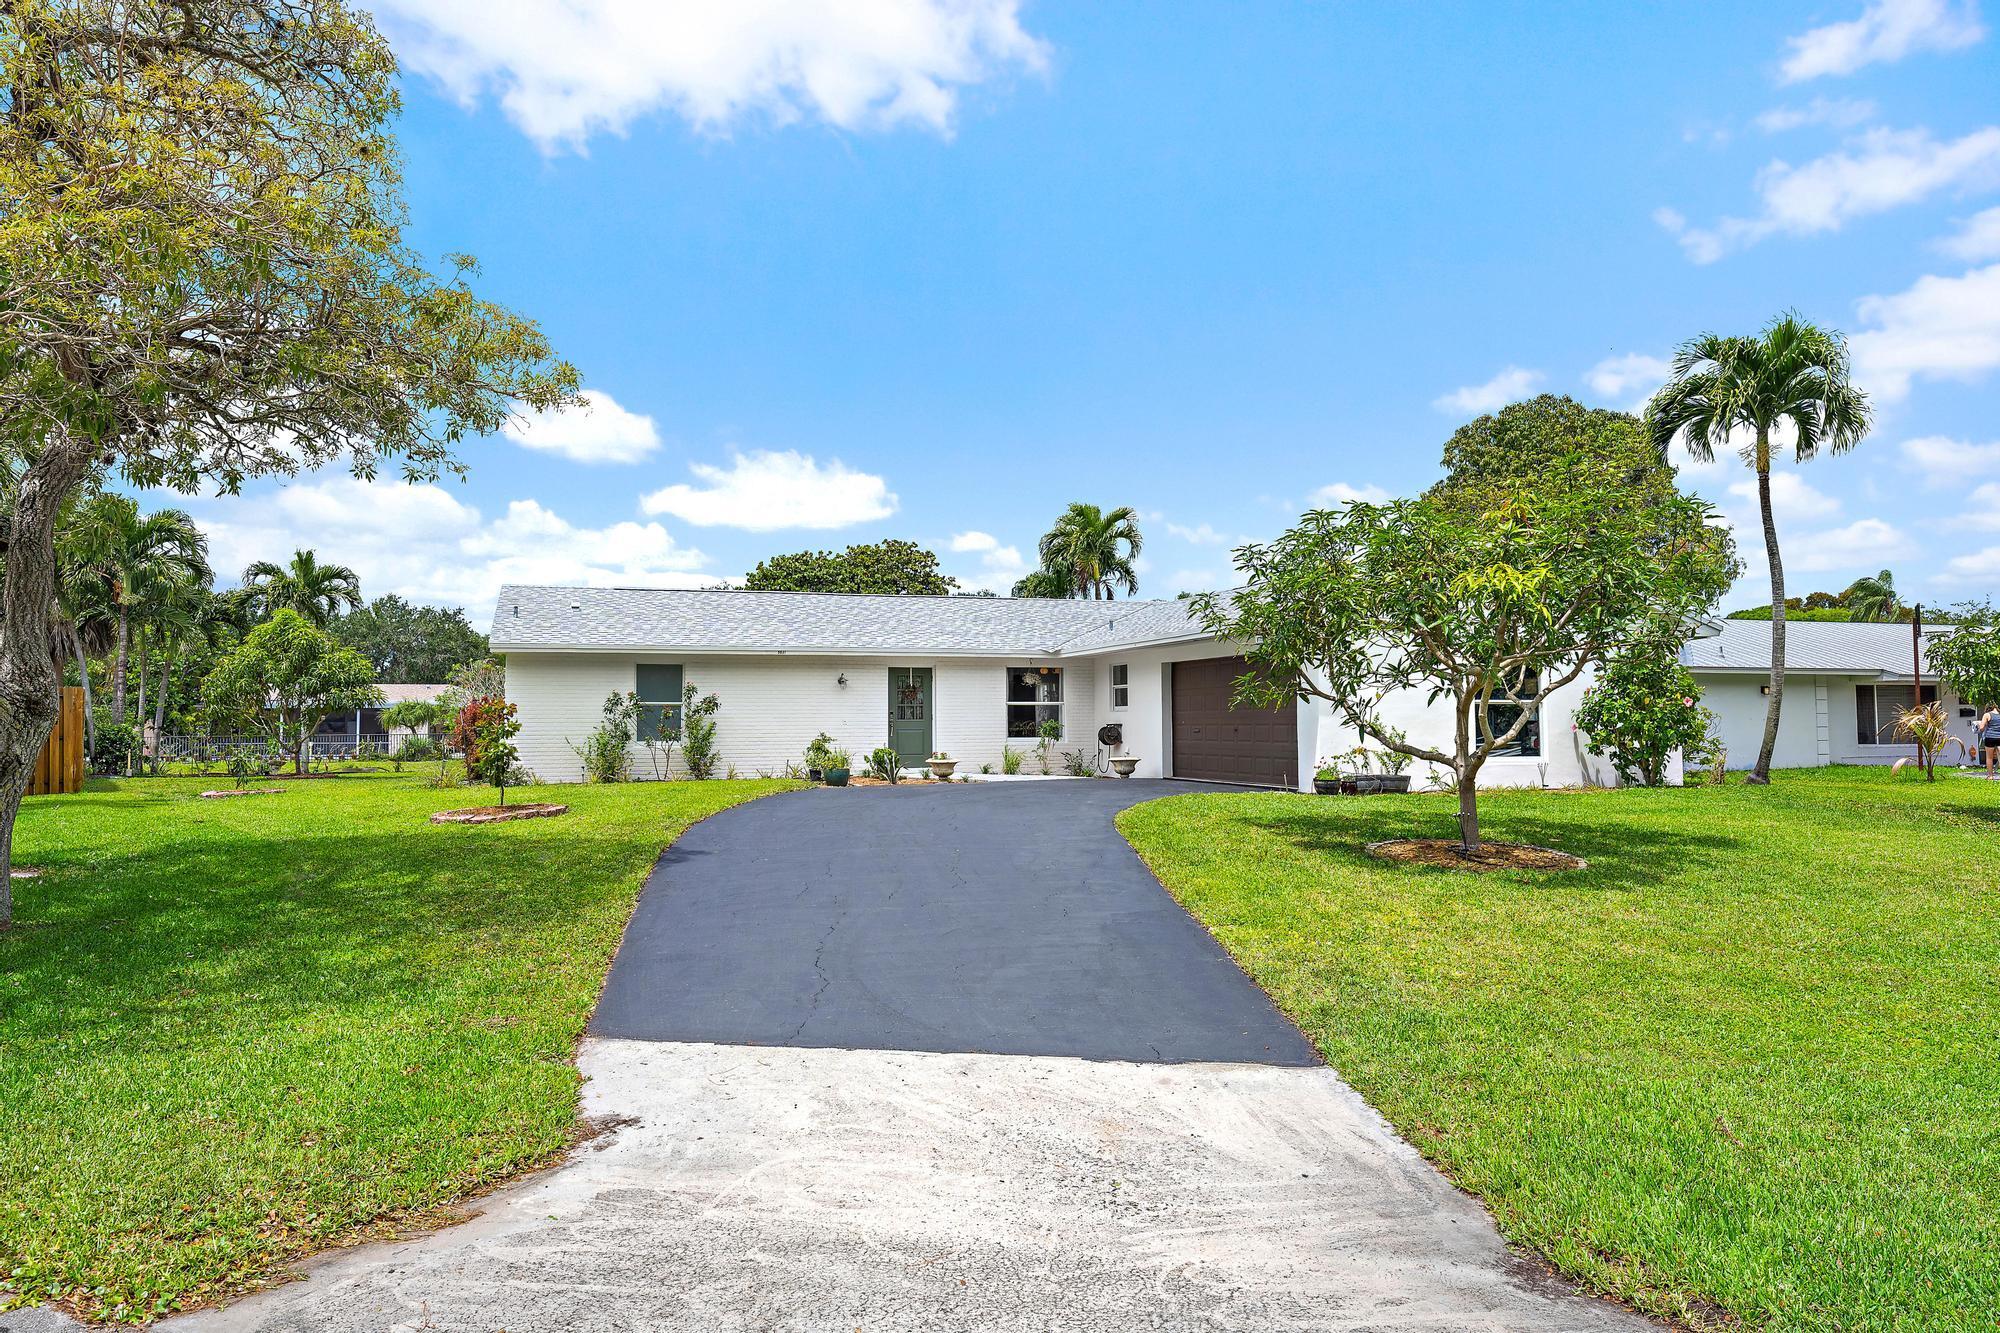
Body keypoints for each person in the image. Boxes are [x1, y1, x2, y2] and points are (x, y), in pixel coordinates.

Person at [1979, 704, 2000, 778]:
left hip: (1990, 737)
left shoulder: (1987, 715)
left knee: (1989, 758)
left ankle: (1990, 776)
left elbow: (1981, 728)